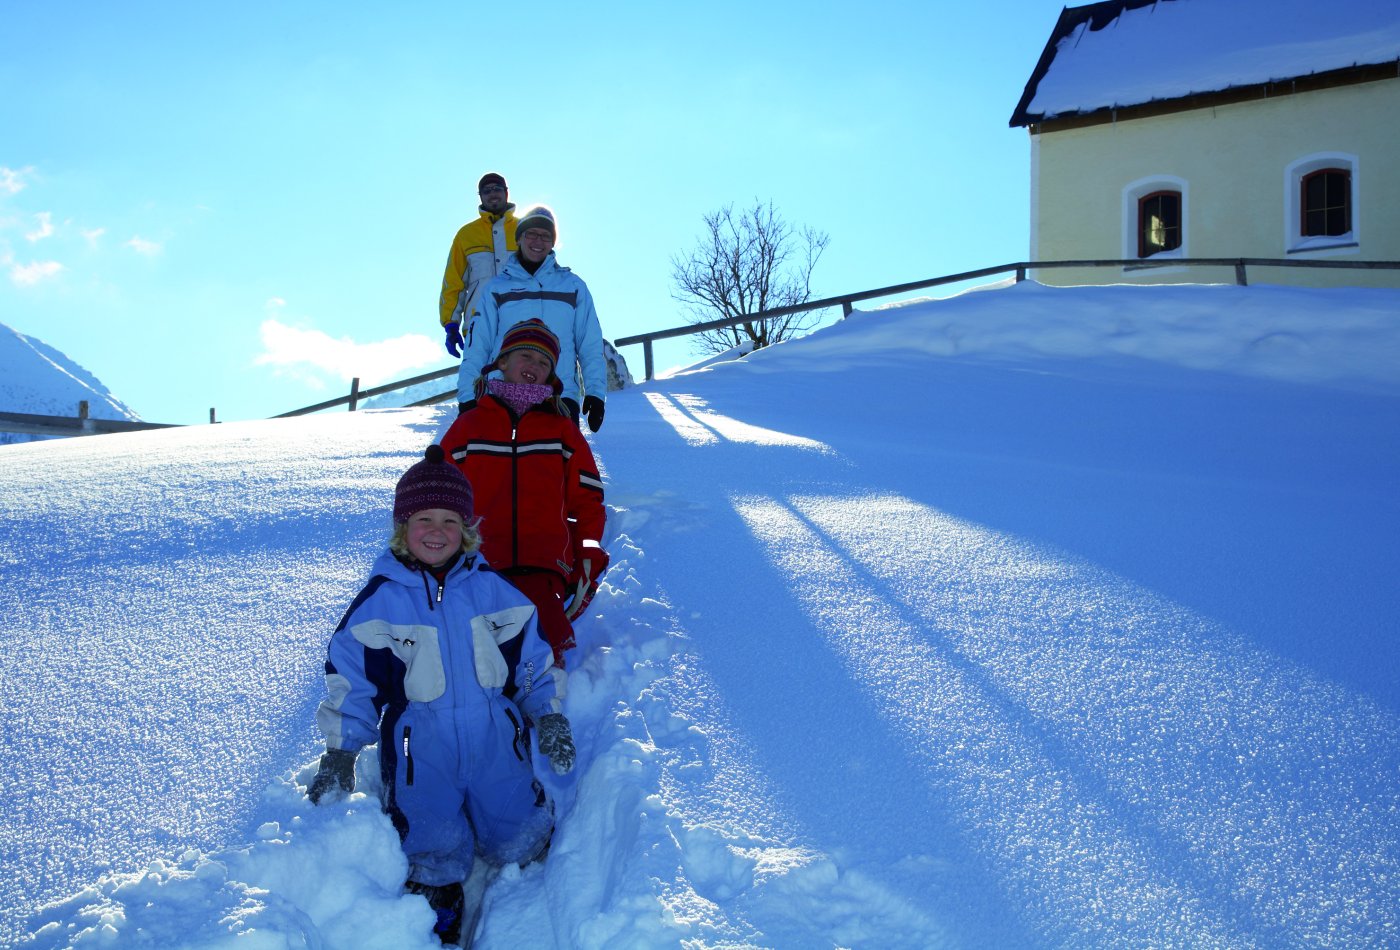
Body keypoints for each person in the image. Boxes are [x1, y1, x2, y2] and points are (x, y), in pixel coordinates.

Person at [307, 444, 576, 946]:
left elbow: (533, 660)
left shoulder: (495, 592)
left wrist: (547, 713)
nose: (437, 531)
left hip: (495, 732)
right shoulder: (379, 602)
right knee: (427, 829)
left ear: (467, 529)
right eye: (423, 518)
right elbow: (353, 679)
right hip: (419, 743)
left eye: (450, 520)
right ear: (402, 528)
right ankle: (438, 893)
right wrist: (341, 751)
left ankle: (531, 874)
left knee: (517, 826)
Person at [442, 319, 608, 670]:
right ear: (502, 362)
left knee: (542, 651)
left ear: (551, 376)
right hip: (478, 564)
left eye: (544, 362)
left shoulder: (561, 429)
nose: (534, 365)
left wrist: (587, 551)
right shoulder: (470, 425)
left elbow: (588, 499)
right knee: (477, 655)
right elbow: (439, 492)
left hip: (545, 564)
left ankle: (547, 712)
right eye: (527, 356)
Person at [456, 205, 608, 432]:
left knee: (556, 467)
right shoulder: (497, 288)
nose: (538, 241)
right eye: (531, 234)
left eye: (546, 236)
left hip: (559, 397)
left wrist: (595, 392)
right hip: (503, 394)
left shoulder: (573, 286)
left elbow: (590, 343)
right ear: (519, 238)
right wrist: (468, 394)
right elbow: (478, 344)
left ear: (553, 242)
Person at [439, 172, 518, 359]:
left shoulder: (524, 230)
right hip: (479, 324)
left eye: (497, 189)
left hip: (521, 324)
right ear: (480, 196)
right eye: (486, 191)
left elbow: (544, 277)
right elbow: (454, 282)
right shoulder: (466, 235)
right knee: (479, 385)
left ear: (506, 193)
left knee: (520, 385)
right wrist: (451, 324)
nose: (493, 194)